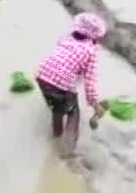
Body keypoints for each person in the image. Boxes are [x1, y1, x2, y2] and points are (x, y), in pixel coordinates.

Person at [34, 12, 108, 150]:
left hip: (42, 76)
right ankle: (68, 148)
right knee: (73, 113)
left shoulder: (65, 39)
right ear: (95, 36)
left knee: (57, 110)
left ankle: (56, 134)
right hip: (61, 85)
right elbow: (89, 84)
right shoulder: (90, 52)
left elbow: (64, 61)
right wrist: (95, 105)